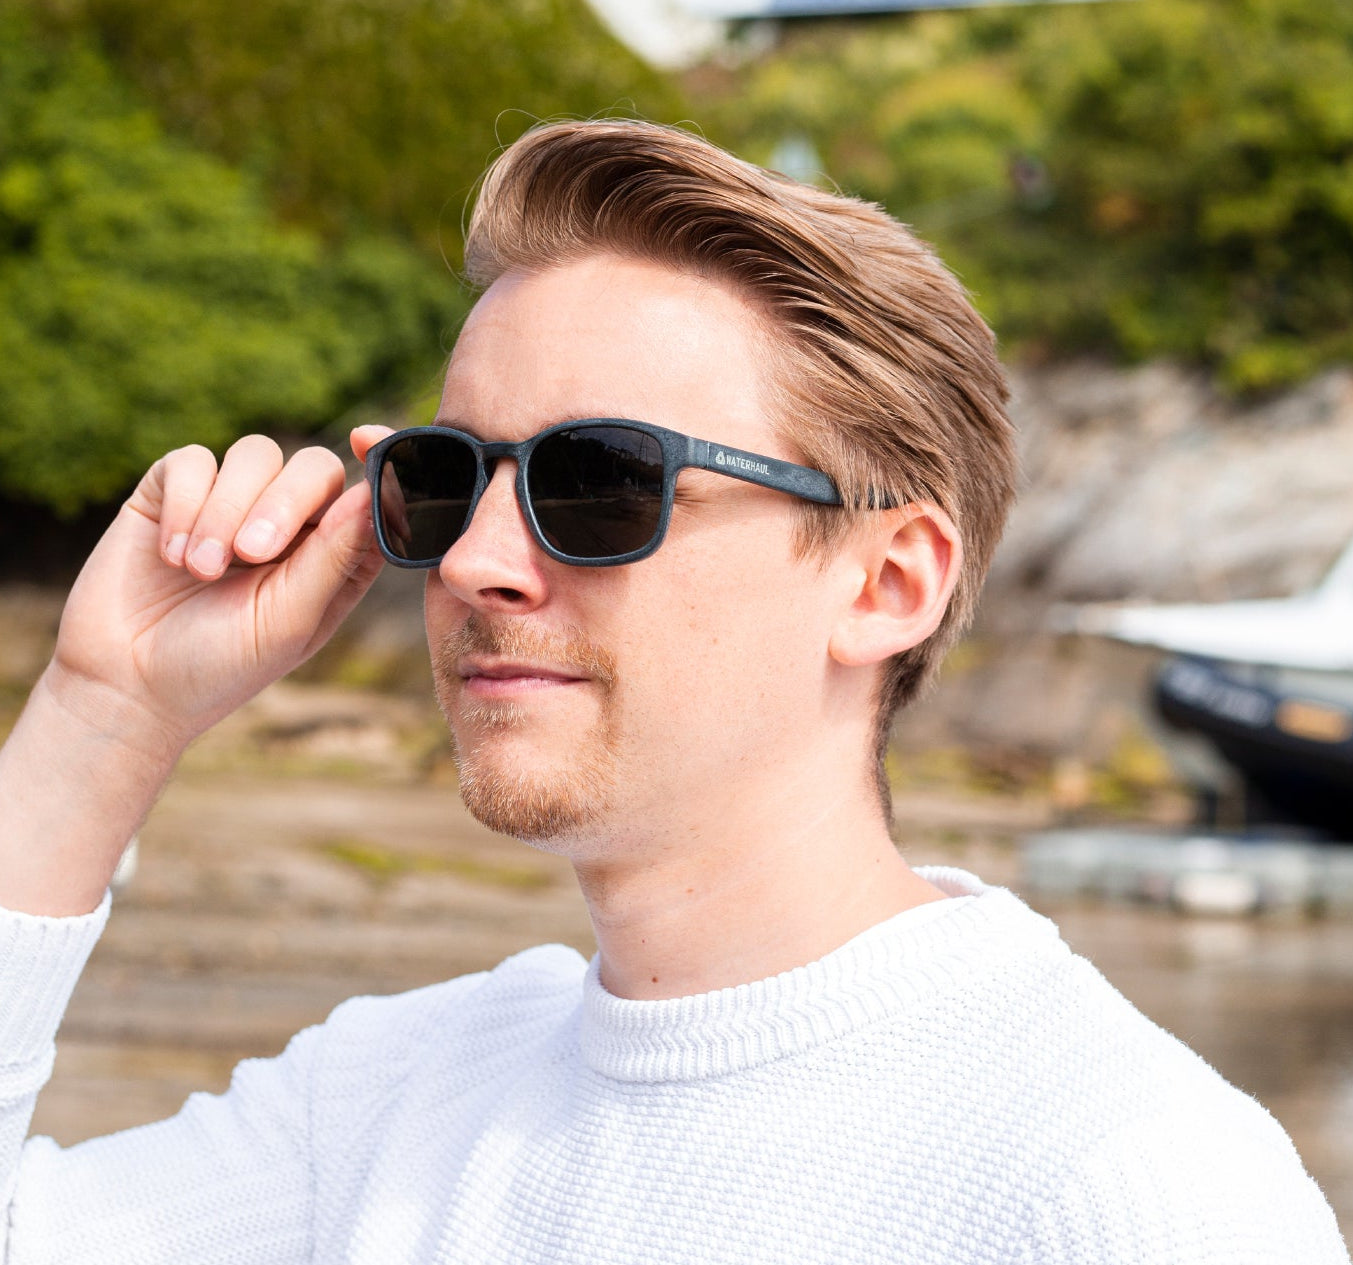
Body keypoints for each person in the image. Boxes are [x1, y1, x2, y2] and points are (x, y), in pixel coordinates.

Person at [0, 119, 1345, 1264]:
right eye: (444, 478)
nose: (471, 561)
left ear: (886, 582)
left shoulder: (1124, 1185)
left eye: (600, 483)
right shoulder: (378, 1105)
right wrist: (104, 712)